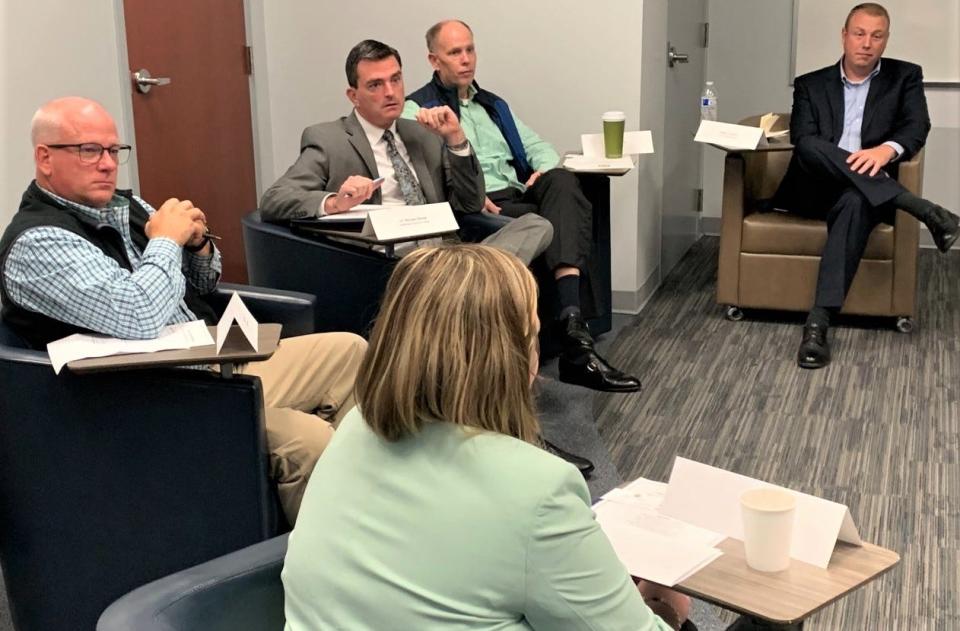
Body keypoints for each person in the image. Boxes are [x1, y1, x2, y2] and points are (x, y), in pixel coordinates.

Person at [282, 244, 693, 631]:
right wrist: (663, 603)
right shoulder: (538, 490)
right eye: (532, 337)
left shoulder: (355, 427)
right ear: (509, 360)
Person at [0, 96, 366, 524]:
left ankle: (364, 506)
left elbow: (204, 284)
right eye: (88, 150)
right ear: (45, 158)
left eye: (114, 151)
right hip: (152, 399)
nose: (106, 164)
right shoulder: (39, 244)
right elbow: (138, 315)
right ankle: (325, 559)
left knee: (351, 351)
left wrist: (198, 245)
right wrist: (166, 241)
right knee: (307, 438)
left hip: (209, 362)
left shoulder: (129, 208)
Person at [404, 20, 641, 395]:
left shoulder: (492, 104)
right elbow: (419, 168)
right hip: (477, 206)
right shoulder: (418, 109)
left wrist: (541, 169)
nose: (466, 60)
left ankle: (571, 325)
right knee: (550, 221)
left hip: (517, 194)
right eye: (454, 53)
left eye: (470, 49)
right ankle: (577, 345)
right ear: (434, 59)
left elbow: (537, 146)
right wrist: (466, 185)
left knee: (563, 181)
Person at [773, 2, 959, 369]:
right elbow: (803, 140)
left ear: (886, 40)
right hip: (814, 189)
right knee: (811, 145)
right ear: (844, 36)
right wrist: (858, 164)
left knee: (857, 200)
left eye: (877, 36)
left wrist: (883, 152)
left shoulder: (904, 77)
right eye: (859, 34)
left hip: (864, 194)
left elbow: (915, 127)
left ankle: (817, 324)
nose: (866, 43)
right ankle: (923, 209)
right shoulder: (811, 84)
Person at [260, 39, 552, 267]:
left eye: (396, 79)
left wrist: (456, 139)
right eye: (376, 84)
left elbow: (470, 203)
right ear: (354, 96)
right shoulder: (329, 140)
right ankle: (479, 282)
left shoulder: (422, 134)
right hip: (389, 263)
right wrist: (336, 202)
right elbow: (275, 199)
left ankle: (475, 281)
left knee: (536, 225)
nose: (390, 92)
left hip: (445, 256)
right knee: (493, 278)